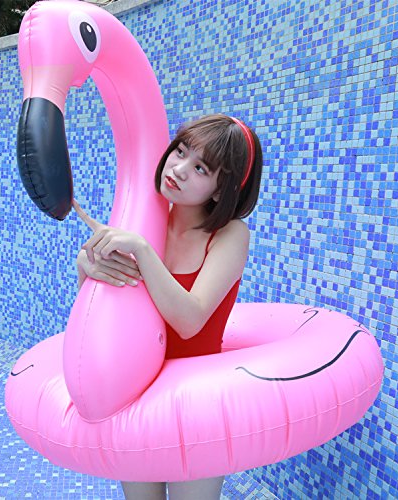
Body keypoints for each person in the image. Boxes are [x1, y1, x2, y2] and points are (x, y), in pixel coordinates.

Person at [73, 114, 263, 500]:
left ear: (220, 190)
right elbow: (105, 319)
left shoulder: (229, 235)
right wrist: (87, 268)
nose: (178, 169)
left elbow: (190, 319)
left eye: (200, 168)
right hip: (135, 391)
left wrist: (143, 252)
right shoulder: (147, 216)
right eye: (180, 151)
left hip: (196, 402)